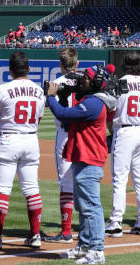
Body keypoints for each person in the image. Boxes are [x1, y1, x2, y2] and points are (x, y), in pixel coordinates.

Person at [46, 65, 117, 265]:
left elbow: (63, 115)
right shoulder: (90, 100)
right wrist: (62, 96)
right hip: (82, 157)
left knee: (91, 206)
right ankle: (84, 245)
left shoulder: (94, 103)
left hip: (89, 158)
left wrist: (51, 96)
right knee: (82, 205)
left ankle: (96, 250)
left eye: (86, 78)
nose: (81, 80)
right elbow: (69, 123)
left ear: (95, 83)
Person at [0, 51, 45, 249]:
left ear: (10, 70)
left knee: (2, 190)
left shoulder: (2, 89)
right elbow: (38, 119)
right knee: (32, 189)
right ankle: (35, 236)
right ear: (29, 69)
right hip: (31, 140)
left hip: (8, 139)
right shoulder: (39, 90)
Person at [107, 51, 140, 236]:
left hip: (124, 131)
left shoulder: (118, 83)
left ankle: (116, 222)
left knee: (119, 179)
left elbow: (110, 111)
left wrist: (111, 129)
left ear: (124, 64)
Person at [44, 47, 80, 244]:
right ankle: (86, 227)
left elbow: (52, 108)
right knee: (84, 181)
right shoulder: (86, 81)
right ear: (77, 63)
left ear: (60, 65)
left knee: (66, 184)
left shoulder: (56, 83)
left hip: (65, 135)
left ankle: (66, 232)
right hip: (84, 135)